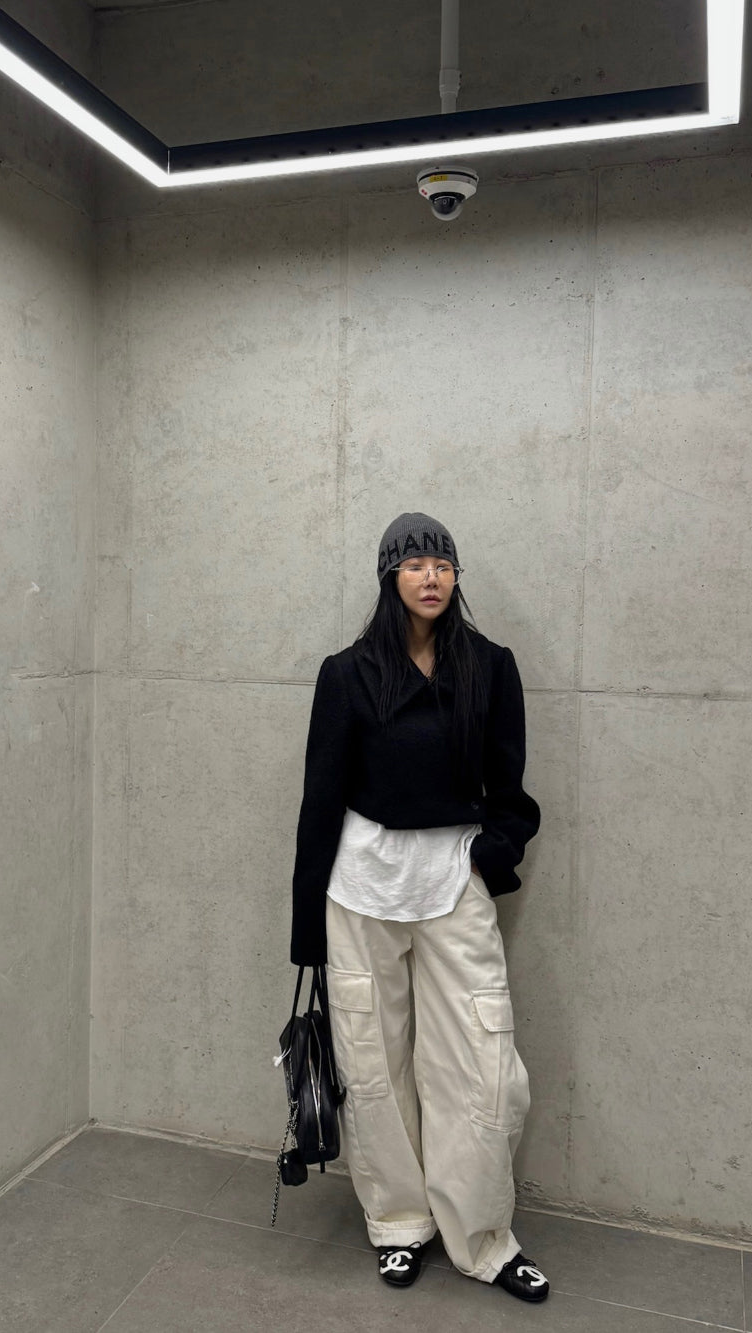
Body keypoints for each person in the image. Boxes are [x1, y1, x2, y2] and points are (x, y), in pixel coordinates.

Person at [291, 512, 549, 1304]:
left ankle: (484, 1238)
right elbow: (320, 796)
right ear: (390, 577)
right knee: (372, 1062)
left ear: (455, 575)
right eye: (413, 564)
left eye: (441, 562)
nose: (430, 576)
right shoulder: (347, 673)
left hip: (452, 881)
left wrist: (488, 855)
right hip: (360, 886)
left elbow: (510, 785)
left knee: (482, 1062)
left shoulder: (490, 667)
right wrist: (307, 929)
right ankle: (399, 1223)